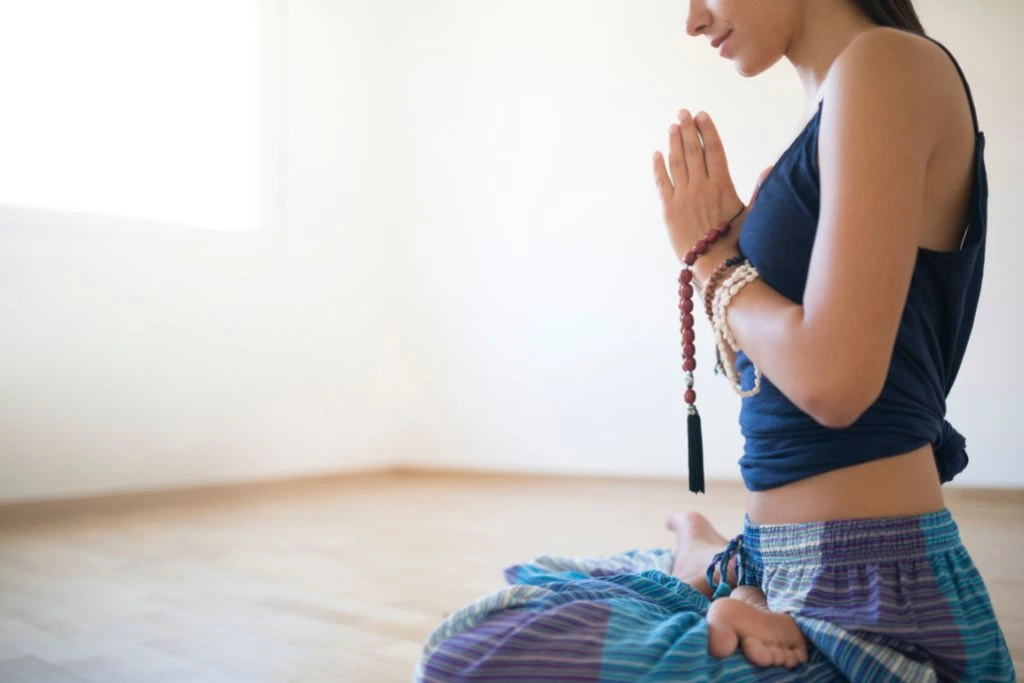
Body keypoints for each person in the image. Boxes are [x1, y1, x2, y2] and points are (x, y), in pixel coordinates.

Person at [416, 1, 1016, 680]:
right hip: (784, 561)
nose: (694, 20)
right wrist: (734, 256)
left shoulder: (887, 65)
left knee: (469, 658)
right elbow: (783, 376)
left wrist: (712, 264)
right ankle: (732, 571)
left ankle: (719, 570)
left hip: (873, 594)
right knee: (507, 609)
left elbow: (835, 382)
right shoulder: (833, 102)